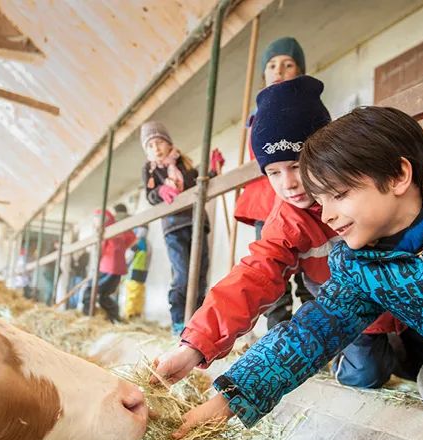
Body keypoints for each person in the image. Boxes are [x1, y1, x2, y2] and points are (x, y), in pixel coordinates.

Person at [170, 106, 423, 435]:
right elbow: (311, 331)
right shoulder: (358, 265)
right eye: (321, 199)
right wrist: (226, 401)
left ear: (399, 176)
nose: (326, 215)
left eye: (339, 194)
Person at [153, 76, 404, 403]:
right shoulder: (288, 218)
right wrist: (194, 346)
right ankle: (365, 353)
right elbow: (255, 275)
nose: (288, 184)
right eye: (273, 172)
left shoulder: (370, 188)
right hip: (350, 315)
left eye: (296, 165)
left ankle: (403, 344)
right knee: (365, 374)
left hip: (410, 305)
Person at [234, 36, 313, 329]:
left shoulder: (309, 107)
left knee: (311, 268)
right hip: (266, 202)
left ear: (300, 71)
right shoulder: (257, 115)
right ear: (264, 74)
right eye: (272, 65)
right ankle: (277, 334)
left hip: (303, 199)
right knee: (271, 271)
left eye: (288, 64)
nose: (279, 70)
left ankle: (312, 330)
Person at [141, 120, 210, 335]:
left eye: (159, 142)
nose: (156, 148)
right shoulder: (150, 170)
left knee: (199, 274)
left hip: (197, 222)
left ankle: (196, 323)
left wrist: (213, 170)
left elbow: (198, 183)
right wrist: (160, 191)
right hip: (173, 227)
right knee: (182, 274)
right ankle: (179, 321)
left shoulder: (185, 164)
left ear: (169, 143)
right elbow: (150, 196)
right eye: (150, 146)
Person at [82, 209, 136, 322]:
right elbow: (132, 239)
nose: (95, 223)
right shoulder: (120, 230)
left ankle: (88, 317)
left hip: (107, 268)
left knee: (89, 290)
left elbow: (100, 252)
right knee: (104, 296)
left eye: (96, 220)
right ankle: (113, 318)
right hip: (118, 270)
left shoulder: (106, 231)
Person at [124, 225, 151, 320]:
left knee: (132, 294)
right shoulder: (148, 243)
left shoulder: (136, 243)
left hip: (134, 272)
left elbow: (128, 258)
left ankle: (130, 315)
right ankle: (137, 314)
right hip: (143, 273)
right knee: (139, 293)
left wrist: (124, 267)